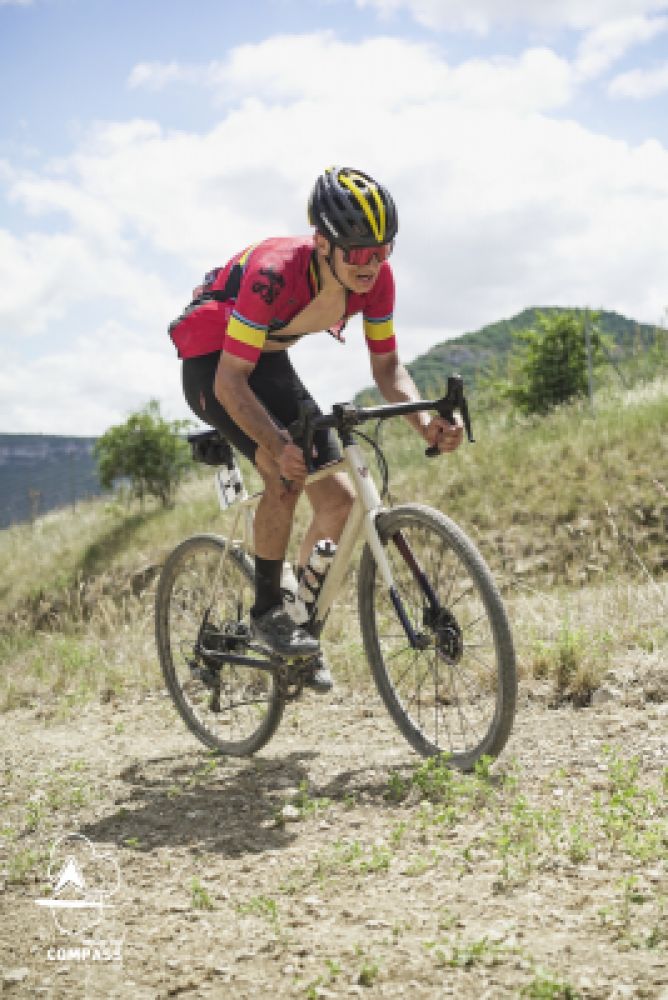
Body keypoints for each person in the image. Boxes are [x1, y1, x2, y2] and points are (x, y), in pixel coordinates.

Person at [169, 166, 463, 693]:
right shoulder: (274, 272)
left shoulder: (377, 282)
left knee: (341, 499)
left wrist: (425, 424)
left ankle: (299, 628)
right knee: (282, 470)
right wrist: (276, 445)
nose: (370, 264)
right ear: (323, 243)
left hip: (269, 358)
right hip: (215, 365)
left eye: (382, 250)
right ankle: (266, 613)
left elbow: (389, 370)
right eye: (356, 253)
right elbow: (232, 382)